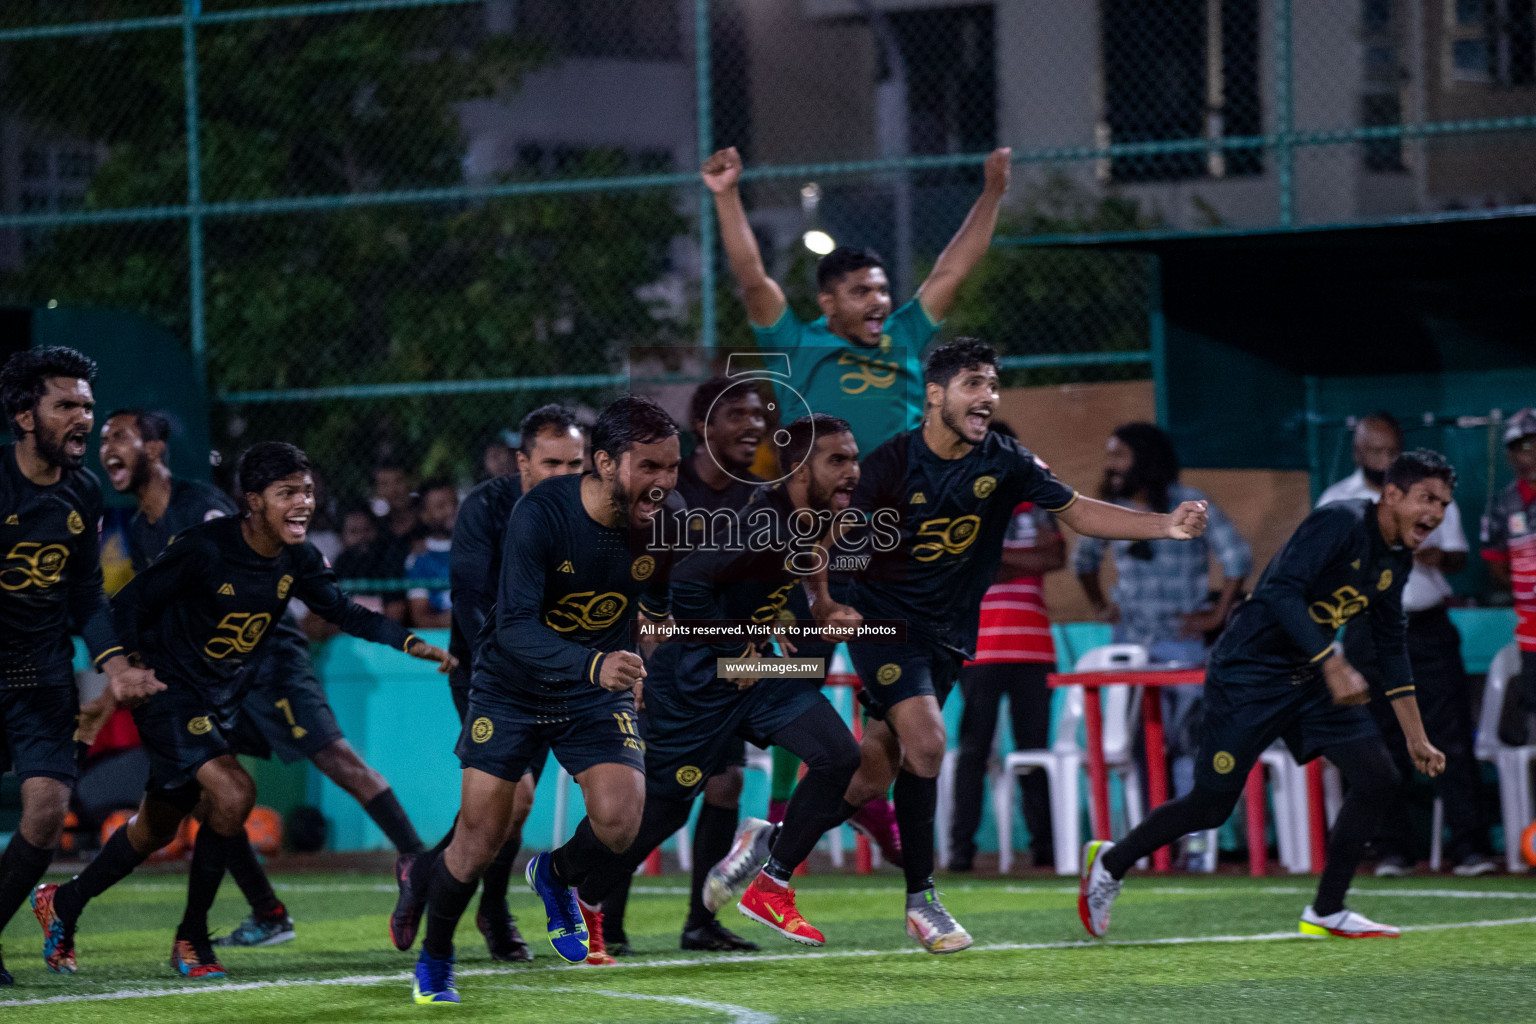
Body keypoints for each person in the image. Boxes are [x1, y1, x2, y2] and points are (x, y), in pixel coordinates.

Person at [808, 339, 1209, 952]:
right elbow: (843, 550)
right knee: (932, 742)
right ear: (935, 394)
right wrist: (834, 603)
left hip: (947, 637)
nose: (988, 396)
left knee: (875, 769)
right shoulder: (890, 466)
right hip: (885, 625)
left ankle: (771, 844)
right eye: (973, 383)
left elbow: (1075, 512)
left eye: (992, 384)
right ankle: (923, 902)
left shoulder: (1006, 461)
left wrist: (1165, 524)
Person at [33, 442, 454, 981]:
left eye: (306, 491)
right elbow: (129, 606)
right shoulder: (205, 548)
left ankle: (62, 903)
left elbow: (343, 610)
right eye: (287, 493)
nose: (303, 502)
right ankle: (192, 937)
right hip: (170, 691)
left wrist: (410, 642)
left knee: (155, 828)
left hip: (221, 698)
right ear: (253, 500)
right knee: (234, 792)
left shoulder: (297, 558)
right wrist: (127, 672)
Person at [1079, 450, 1455, 942]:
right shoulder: (1339, 522)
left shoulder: (1396, 558)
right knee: (1211, 808)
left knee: (1378, 777)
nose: (1436, 513)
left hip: (1309, 677)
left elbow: (1390, 646)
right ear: (1391, 494)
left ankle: (1327, 910)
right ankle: (1111, 861)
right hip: (1248, 676)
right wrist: (1334, 662)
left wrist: (1417, 738)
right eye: (1427, 498)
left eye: (1445, 504)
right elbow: (1279, 592)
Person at [404, 395, 679, 1006]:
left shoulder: (665, 521)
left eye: (671, 468)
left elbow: (655, 607)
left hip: (592, 691)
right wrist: (598, 662)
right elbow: (514, 628)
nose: (663, 483)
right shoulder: (541, 516)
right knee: (476, 841)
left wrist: (640, 660)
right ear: (605, 464)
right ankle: (437, 955)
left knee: (621, 819)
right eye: (649, 468)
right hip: (510, 687)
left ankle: (553, 876)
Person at [578, 415, 864, 951]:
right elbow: (688, 580)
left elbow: (800, 565)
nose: (853, 470)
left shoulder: (814, 516)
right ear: (801, 470)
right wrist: (737, 647)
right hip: (698, 681)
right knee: (664, 808)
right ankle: (588, 900)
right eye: (838, 460)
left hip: (752, 675)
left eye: (854, 458)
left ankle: (771, 878)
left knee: (842, 757)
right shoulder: (766, 522)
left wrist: (814, 605)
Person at [391, 404, 585, 964]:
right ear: (523, 463)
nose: (565, 474)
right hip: (486, 671)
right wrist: (519, 663)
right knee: (514, 798)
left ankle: (430, 877)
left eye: (575, 462)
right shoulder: (484, 509)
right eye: (552, 462)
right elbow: (473, 605)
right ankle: (488, 911)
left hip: (555, 674)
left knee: (507, 810)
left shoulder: (591, 512)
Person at [0, 348, 162, 987]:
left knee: (45, 810)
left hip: (39, 672)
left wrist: (114, 663)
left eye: (88, 407)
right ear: (23, 415)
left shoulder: (84, 490)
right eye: (66, 404)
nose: (84, 419)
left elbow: (86, 593)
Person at [596, 378, 767, 957]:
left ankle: (700, 921)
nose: (754, 425)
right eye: (738, 415)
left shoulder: (755, 496)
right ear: (704, 427)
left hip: (724, 663)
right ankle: (603, 919)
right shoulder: (664, 487)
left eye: (759, 415)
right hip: (666, 664)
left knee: (726, 784)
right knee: (659, 797)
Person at [702, 145, 1012, 458]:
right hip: (823, 504)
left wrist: (992, 193)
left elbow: (953, 270)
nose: (878, 300)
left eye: (882, 290)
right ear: (829, 303)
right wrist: (726, 195)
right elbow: (753, 280)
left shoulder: (903, 333)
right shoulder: (795, 343)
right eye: (861, 292)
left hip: (902, 500)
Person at [1317, 413, 1493, 877]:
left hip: (1426, 627)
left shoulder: (1429, 491)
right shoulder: (1338, 500)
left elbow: (1458, 555)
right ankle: (1394, 848)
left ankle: (1471, 846)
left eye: (1392, 451)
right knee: (1380, 739)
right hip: (1368, 629)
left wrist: (1436, 554)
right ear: (1358, 452)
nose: (1385, 459)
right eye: (1375, 451)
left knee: (1450, 734)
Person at [1075, 423, 1251, 818]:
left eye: (1119, 455)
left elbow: (1237, 557)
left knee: (1187, 741)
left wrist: (1218, 613)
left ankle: (1193, 841)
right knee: (1142, 746)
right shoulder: (1111, 508)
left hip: (1180, 643)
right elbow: (1083, 562)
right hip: (1130, 645)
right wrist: (1101, 605)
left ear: (1145, 457)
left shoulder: (1188, 503)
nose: (1111, 464)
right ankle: (1152, 840)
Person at [948, 419, 1065, 872]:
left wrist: (992, 557)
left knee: (1034, 751)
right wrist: (1015, 560)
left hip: (1033, 647)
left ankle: (1045, 852)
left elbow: (1055, 556)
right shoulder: (956, 499)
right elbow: (962, 564)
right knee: (973, 750)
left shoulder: (1036, 495)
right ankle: (960, 853)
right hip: (977, 645)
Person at [1484, 407, 1536, 745]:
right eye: (1517, 447)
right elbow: (1496, 567)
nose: (1525, 454)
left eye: (1532, 444)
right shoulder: (1502, 505)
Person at [330, 509, 404, 622]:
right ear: (342, 537)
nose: (362, 536)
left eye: (367, 530)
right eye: (354, 532)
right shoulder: (339, 564)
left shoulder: (388, 560)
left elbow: (396, 610)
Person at [405, 478, 457, 630]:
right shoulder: (418, 559)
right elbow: (420, 619)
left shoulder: (480, 548)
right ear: (425, 515)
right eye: (441, 507)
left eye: (454, 503)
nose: (450, 511)